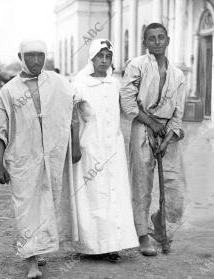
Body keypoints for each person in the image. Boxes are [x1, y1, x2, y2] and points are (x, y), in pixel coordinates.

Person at [0, 39, 74, 278]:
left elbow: (74, 108)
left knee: (48, 205)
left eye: (40, 55)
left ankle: (40, 250)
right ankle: (31, 262)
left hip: (52, 157)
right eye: (30, 56)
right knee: (25, 208)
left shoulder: (58, 83)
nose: (36, 60)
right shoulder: (9, 90)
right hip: (22, 158)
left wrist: (73, 145)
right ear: (20, 57)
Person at [120, 23, 186, 256]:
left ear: (168, 40)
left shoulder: (178, 74)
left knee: (175, 186)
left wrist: (167, 138)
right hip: (143, 127)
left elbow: (178, 113)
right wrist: (151, 123)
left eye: (161, 38)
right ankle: (142, 235)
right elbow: (127, 103)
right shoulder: (137, 66)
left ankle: (159, 223)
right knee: (142, 185)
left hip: (167, 132)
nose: (157, 42)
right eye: (152, 38)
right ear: (145, 42)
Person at [70, 39, 138, 261]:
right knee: (96, 195)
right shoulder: (79, 83)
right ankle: (94, 244)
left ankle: (113, 245)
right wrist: (75, 145)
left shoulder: (114, 83)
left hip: (113, 147)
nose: (104, 60)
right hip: (91, 146)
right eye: (100, 56)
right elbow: (71, 116)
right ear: (92, 58)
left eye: (108, 57)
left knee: (115, 194)